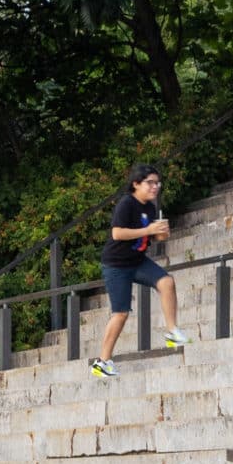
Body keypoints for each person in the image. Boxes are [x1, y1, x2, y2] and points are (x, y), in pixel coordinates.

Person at [90, 162, 188, 381]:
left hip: (137, 260)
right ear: (136, 184)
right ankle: (102, 362)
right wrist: (148, 229)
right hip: (116, 265)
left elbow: (150, 236)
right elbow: (117, 233)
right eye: (150, 183)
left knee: (166, 282)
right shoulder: (127, 203)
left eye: (157, 183)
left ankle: (172, 332)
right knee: (121, 313)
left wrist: (160, 233)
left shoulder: (150, 208)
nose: (155, 187)